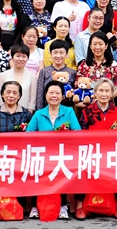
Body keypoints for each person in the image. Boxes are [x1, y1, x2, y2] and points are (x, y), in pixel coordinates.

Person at [26, 80, 81, 220]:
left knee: (63, 171)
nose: (54, 96)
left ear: (63, 96)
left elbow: (77, 131)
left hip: (63, 153)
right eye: (51, 93)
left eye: (57, 93)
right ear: (46, 95)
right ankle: (34, 207)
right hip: (42, 153)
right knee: (36, 170)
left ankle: (63, 206)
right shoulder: (39, 114)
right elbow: (28, 133)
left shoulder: (68, 111)